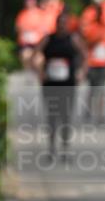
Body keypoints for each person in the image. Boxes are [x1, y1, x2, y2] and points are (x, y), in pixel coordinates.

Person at [37, 11, 86, 159]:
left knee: (65, 116)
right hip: (50, 83)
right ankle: (51, 148)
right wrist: (40, 72)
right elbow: (35, 55)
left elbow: (85, 56)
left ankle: (65, 149)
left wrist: (81, 72)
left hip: (68, 83)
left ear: (68, 25)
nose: (62, 26)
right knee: (52, 116)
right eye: (60, 23)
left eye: (65, 23)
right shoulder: (48, 39)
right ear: (56, 24)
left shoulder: (73, 39)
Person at [82, 5, 105, 121]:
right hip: (93, 62)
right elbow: (86, 43)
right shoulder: (91, 28)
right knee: (92, 88)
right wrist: (97, 38)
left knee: (102, 89)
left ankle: (101, 115)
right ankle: (88, 110)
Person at [15, 0, 46, 72]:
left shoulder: (40, 13)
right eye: (28, 2)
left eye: (31, 2)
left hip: (38, 43)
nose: (29, 4)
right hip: (26, 43)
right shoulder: (22, 14)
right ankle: (28, 74)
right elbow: (18, 28)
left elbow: (45, 28)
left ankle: (39, 76)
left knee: (38, 60)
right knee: (25, 56)